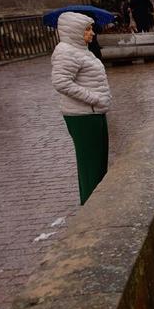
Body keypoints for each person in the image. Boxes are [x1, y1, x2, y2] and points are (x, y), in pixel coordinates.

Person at [51, 12, 112, 204]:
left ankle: (97, 201)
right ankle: (91, 204)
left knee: (98, 161)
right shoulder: (66, 51)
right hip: (83, 115)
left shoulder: (81, 50)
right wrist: (94, 98)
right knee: (90, 165)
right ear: (74, 31)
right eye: (87, 29)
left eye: (91, 28)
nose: (92, 33)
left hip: (93, 112)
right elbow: (61, 82)